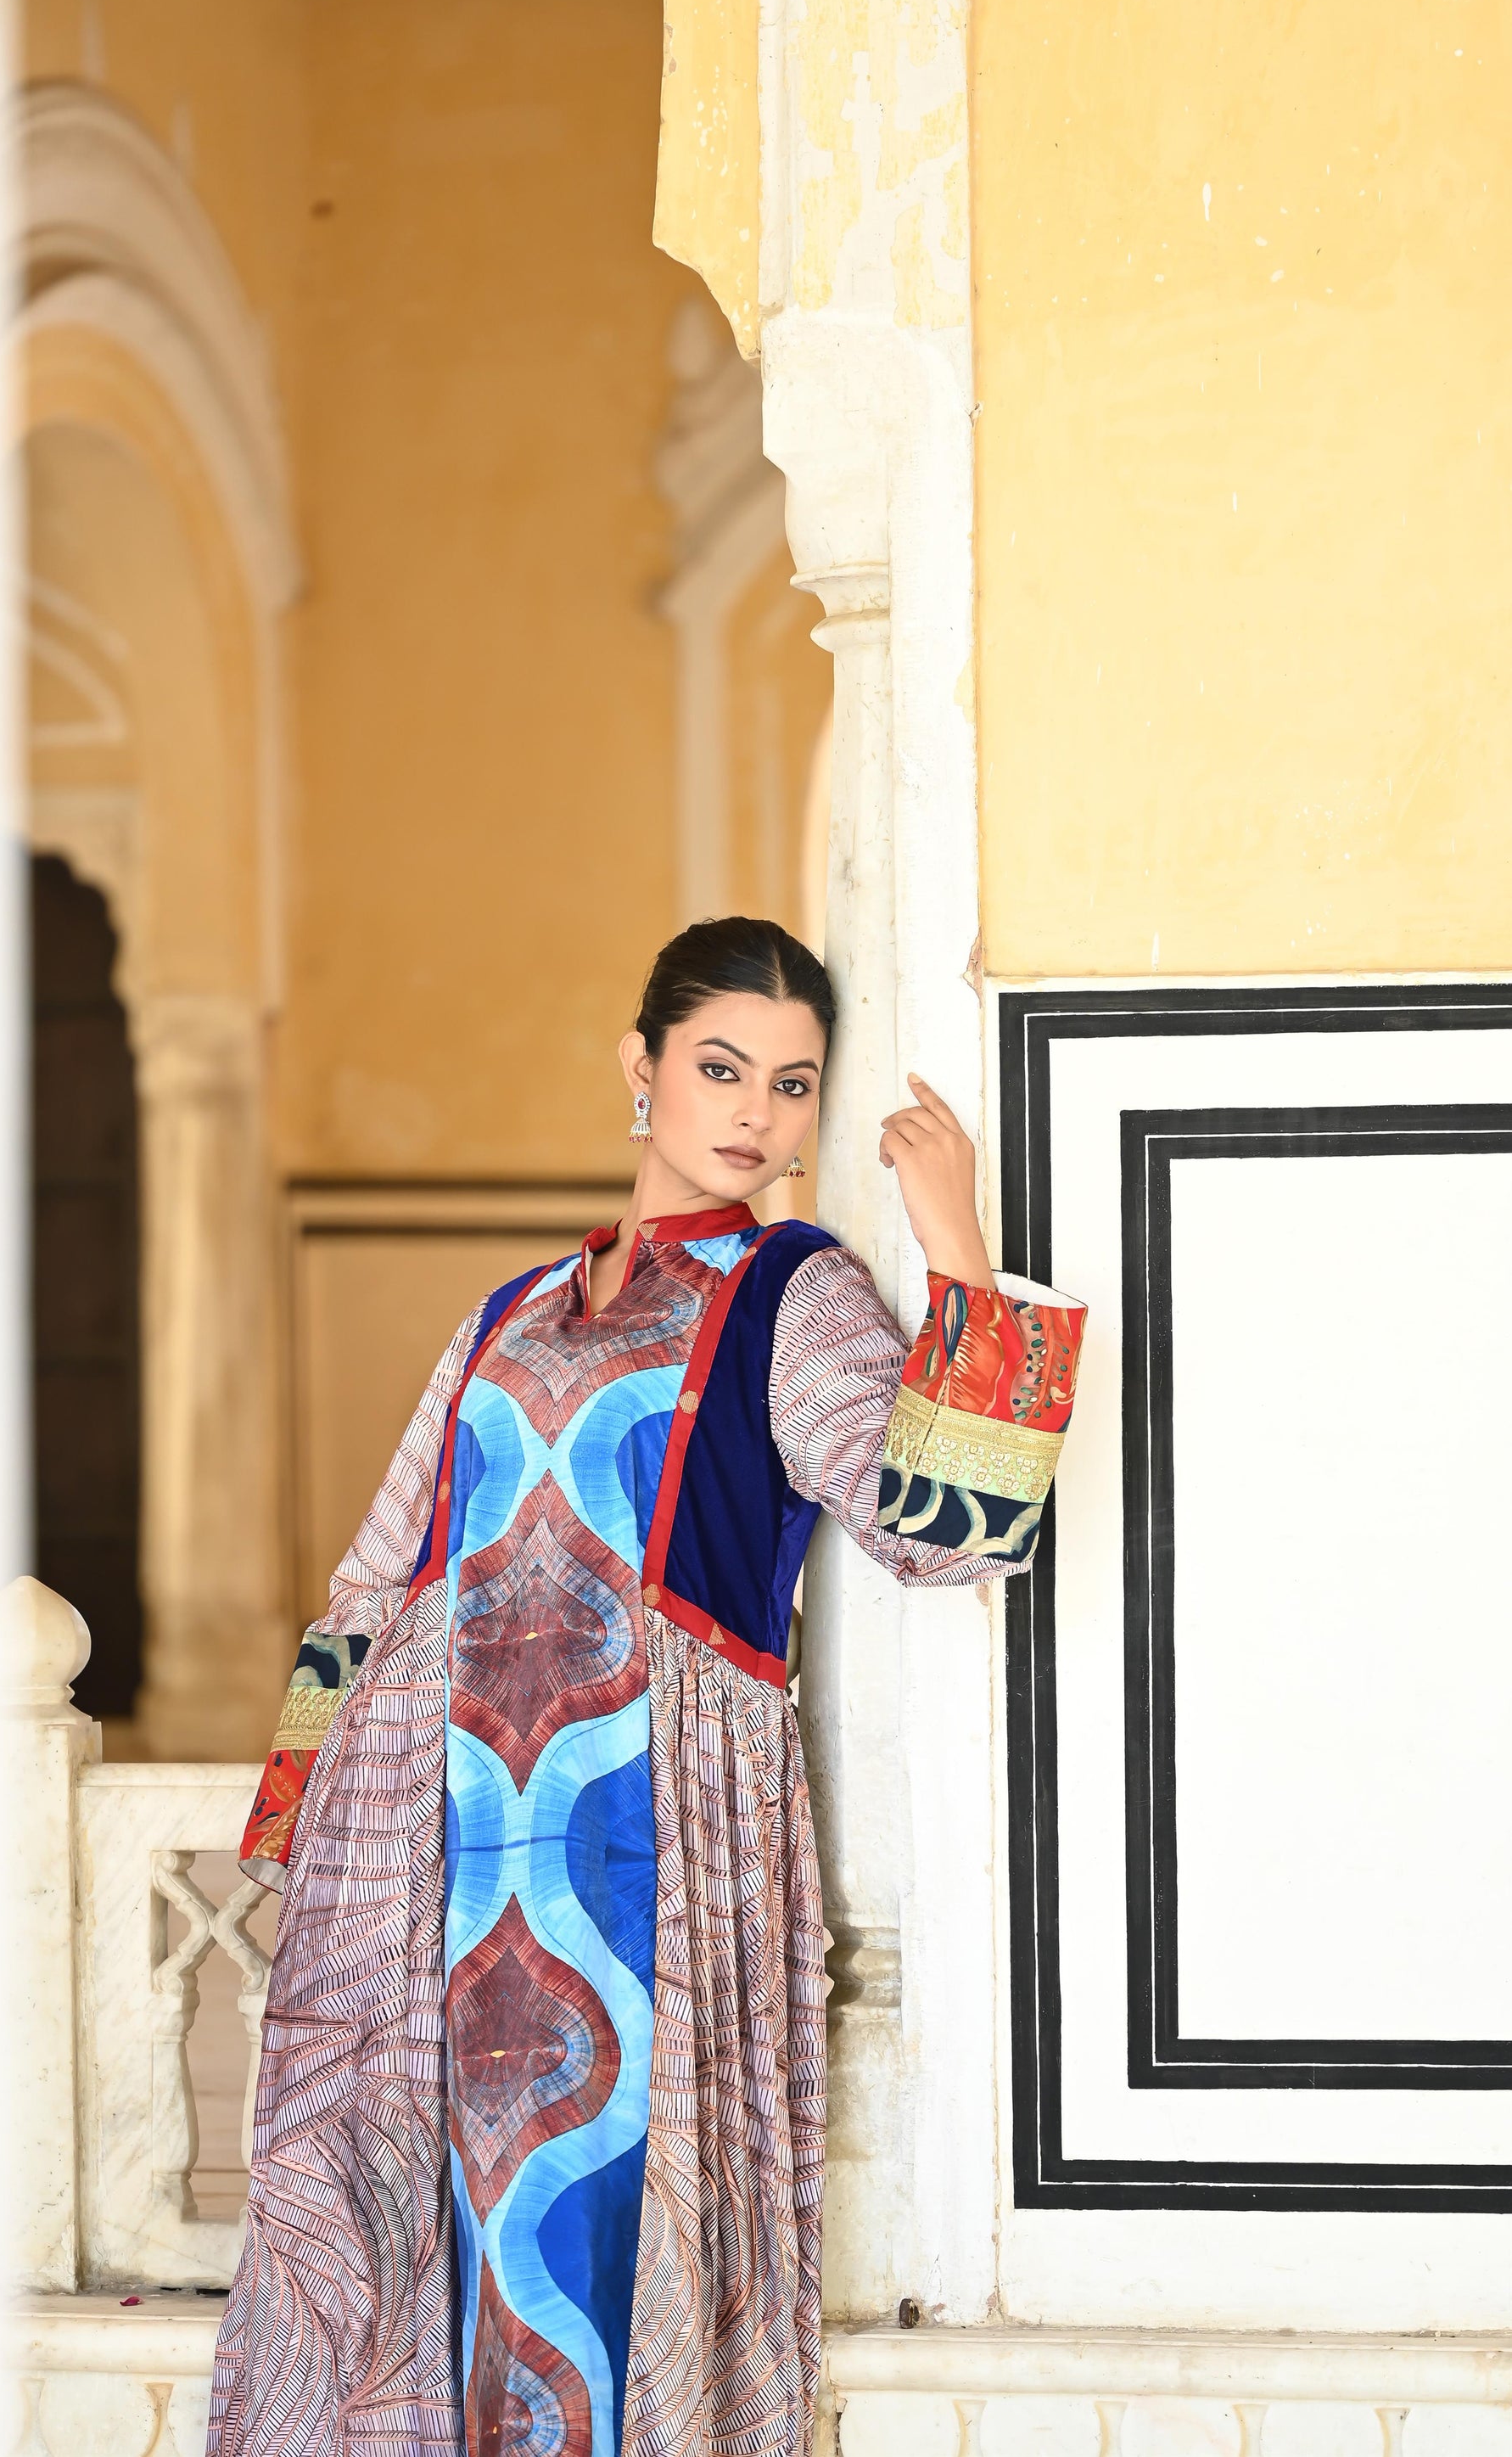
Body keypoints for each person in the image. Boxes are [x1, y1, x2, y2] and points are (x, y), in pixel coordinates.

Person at [208, 917, 1085, 2457]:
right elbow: (375, 1582)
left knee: (603, 2257)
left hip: (641, 1861)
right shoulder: (509, 1310)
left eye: (792, 1084)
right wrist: (306, 1851)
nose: (754, 1113)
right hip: (434, 1862)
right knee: (408, 2254)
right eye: (720, 1068)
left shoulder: (791, 1290)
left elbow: (944, 1530)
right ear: (642, 1066)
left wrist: (951, 1239)